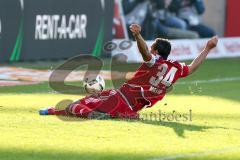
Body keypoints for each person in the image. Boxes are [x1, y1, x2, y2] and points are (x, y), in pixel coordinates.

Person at [39, 24, 218, 119]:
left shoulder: (153, 61)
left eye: (152, 47)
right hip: (131, 105)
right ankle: (55, 111)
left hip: (121, 99)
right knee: (93, 97)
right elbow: (193, 67)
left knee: (74, 106)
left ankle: (96, 114)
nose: (149, 49)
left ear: (156, 52)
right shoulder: (177, 68)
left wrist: (137, 35)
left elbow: (144, 52)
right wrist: (208, 48)